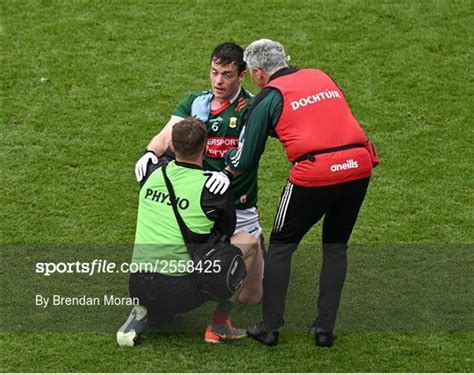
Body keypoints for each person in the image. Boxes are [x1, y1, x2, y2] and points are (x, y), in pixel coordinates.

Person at [223, 39, 378, 347]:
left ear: (257, 73)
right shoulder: (321, 75)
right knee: (335, 247)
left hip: (314, 172)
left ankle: (270, 327)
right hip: (358, 165)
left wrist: (225, 162)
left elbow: (246, 159)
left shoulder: (267, 97)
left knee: (281, 247)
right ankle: (324, 329)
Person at [134, 42, 263, 306]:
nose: (218, 81)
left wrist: (227, 173)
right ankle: (213, 315)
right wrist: (150, 152)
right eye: (214, 72)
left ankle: (159, 299)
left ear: (242, 75)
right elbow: (167, 132)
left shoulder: (252, 108)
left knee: (252, 296)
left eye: (227, 75)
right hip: (202, 205)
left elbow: (250, 150)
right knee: (218, 264)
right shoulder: (196, 102)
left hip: (239, 203)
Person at [117, 118, 258, 346]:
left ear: (172, 147)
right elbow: (224, 235)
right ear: (205, 148)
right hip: (180, 291)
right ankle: (219, 325)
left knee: (163, 311)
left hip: (137, 285)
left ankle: (145, 311)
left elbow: (155, 156)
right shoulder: (213, 188)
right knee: (249, 242)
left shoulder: (149, 172)